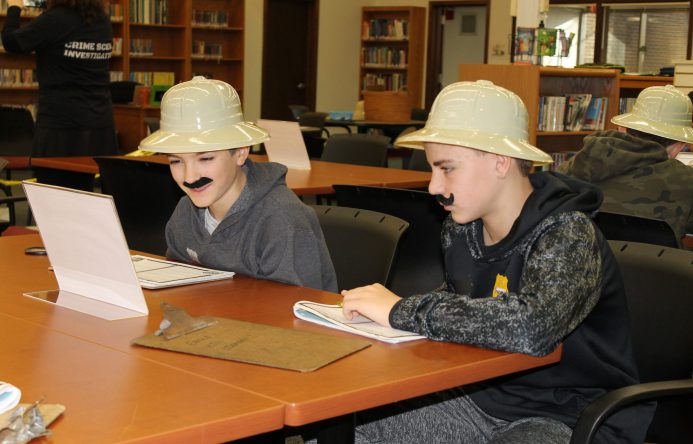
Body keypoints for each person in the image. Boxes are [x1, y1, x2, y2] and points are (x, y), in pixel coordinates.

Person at [340, 81, 651, 443]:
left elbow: (531, 329)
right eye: (433, 169)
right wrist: (381, 320)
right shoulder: (459, 229)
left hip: (564, 415)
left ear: (500, 162)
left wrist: (402, 311)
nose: (434, 187)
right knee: (340, 427)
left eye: (447, 169)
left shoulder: (567, 234)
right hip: (476, 397)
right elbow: (466, 302)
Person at [139, 76, 337, 293]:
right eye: (176, 161)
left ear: (241, 152)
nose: (190, 176)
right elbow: (176, 286)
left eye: (205, 159)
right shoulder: (186, 211)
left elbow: (295, 313)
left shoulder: (281, 220)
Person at [1, 0, 118, 190]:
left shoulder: (55, 20)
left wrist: (14, 8)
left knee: (54, 196)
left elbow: (11, 42)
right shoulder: (102, 20)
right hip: (99, 127)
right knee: (86, 194)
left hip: (61, 129)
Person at [558, 85, 693, 241]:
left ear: (622, 129)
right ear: (678, 148)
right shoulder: (686, 181)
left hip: (579, 261)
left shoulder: (571, 167)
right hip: (650, 264)